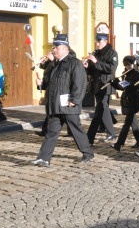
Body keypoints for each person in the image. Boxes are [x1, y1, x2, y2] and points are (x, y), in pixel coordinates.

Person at [29, 35, 93, 167]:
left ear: (65, 49)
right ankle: (44, 158)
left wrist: (75, 100)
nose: (54, 50)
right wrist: (41, 84)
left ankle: (87, 153)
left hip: (68, 104)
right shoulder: (53, 65)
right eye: (54, 47)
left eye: (56, 47)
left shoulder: (74, 63)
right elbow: (48, 83)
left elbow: (80, 83)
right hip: (54, 105)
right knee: (51, 133)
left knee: (76, 129)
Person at [85, 33, 118, 144]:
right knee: (101, 109)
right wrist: (88, 66)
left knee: (101, 108)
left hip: (106, 84)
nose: (97, 44)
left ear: (105, 41)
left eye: (99, 41)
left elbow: (111, 69)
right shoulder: (97, 52)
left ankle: (97, 136)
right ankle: (95, 136)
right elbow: (94, 70)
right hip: (97, 84)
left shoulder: (112, 53)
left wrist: (96, 62)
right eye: (97, 41)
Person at [109, 56, 139, 151]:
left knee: (127, 124)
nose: (127, 67)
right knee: (134, 123)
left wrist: (119, 83)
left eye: (129, 65)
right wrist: (114, 83)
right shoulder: (125, 73)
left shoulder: (137, 74)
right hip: (127, 99)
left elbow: (130, 86)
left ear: (133, 63)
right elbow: (122, 87)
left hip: (133, 99)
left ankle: (119, 144)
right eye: (126, 65)